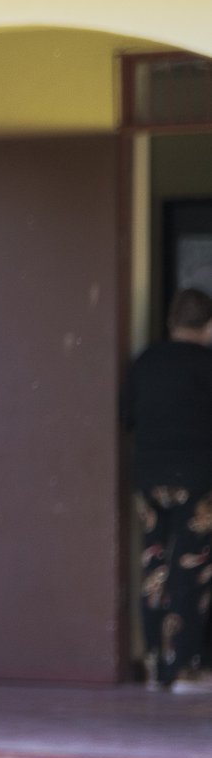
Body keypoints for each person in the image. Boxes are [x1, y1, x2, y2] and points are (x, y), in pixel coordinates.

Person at [124, 286, 212, 691]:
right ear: (208, 326)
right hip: (197, 480)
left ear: (171, 322)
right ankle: (186, 667)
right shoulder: (206, 365)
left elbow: (127, 417)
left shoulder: (145, 363)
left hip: (149, 479)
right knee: (190, 566)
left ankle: (157, 666)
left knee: (154, 563)